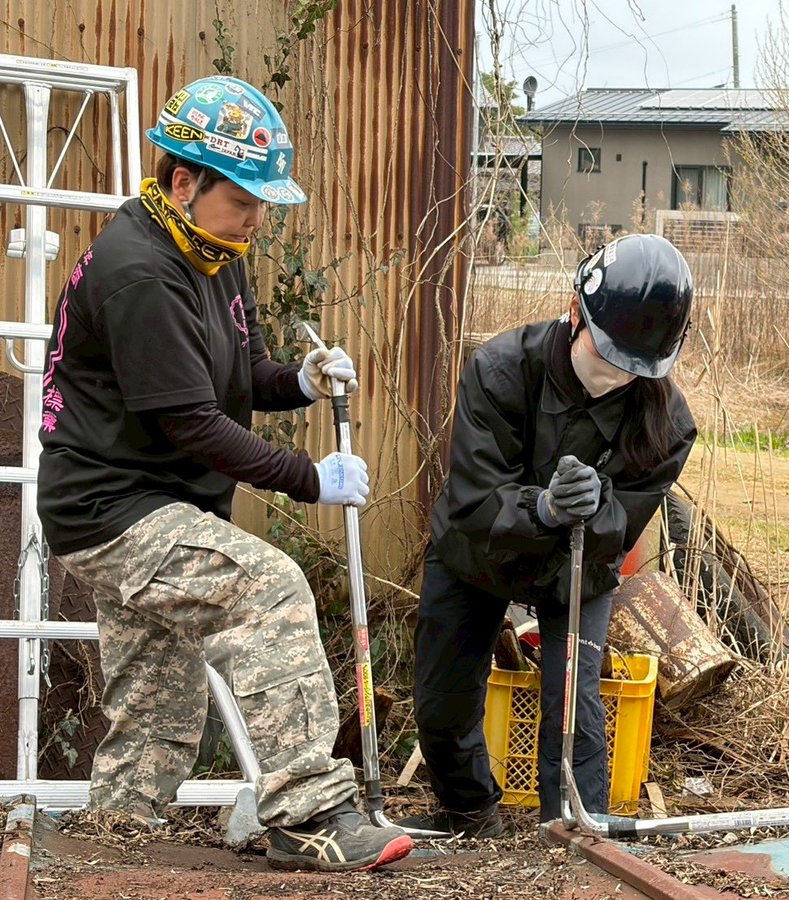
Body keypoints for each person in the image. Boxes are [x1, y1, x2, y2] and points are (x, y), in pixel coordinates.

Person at [37, 75, 412, 872]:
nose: (256, 219)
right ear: (184, 183)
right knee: (268, 588)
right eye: (243, 200)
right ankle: (310, 812)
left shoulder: (213, 253)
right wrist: (310, 477)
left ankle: (112, 845)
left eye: (261, 203)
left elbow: (239, 377)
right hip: (111, 507)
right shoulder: (140, 271)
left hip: (151, 501)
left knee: (155, 700)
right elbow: (193, 424)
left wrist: (300, 380)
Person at [398, 233, 698, 836]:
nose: (616, 375)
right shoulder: (500, 369)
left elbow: (621, 531)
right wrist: (543, 507)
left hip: (576, 569)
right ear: (574, 312)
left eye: (634, 368)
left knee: (575, 705)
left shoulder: (667, 423)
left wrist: (598, 506)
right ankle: (468, 811)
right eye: (608, 355)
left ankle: (573, 833)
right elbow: (474, 500)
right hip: (477, 552)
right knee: (441, 702)